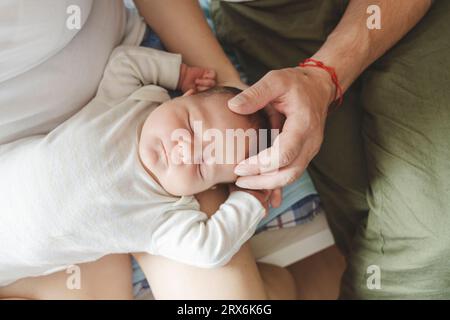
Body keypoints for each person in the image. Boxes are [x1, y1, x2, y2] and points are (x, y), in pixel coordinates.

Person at [0, 1, 295, 299]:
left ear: (214, 185)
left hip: (37, 252)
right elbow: (126, 63)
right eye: (191, 127)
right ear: (182, 97)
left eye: (204, 165)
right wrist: (177, 74)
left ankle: (282, 285)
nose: (186, 150)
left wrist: (250, 198)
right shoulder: (132, 103)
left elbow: (209, 249)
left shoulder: (166, 215)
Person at [213, 0, 450, 298]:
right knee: (370, 215)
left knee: (435, 235)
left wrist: (322, 77)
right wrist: (231, 92)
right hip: (270, 21)